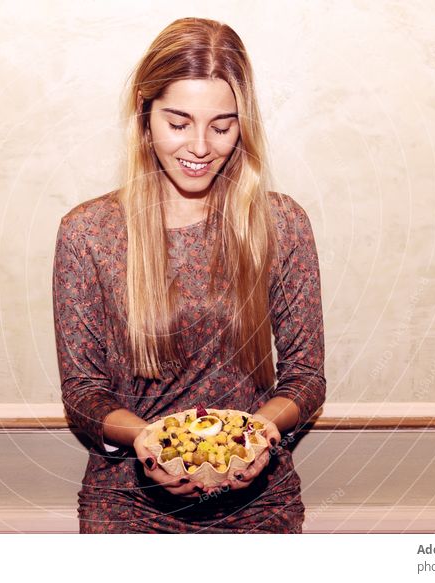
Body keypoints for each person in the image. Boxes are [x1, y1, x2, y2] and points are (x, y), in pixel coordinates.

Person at [52, 17, 325, 533]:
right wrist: (145, 440)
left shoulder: (282, 224)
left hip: (258, 499)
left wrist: (258, 433)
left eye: (222, 126)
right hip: (127, 498)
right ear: (145, 116)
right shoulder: (88, 232)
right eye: (179, 123)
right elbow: (83, 393)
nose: (200, 146)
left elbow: (307, 378)